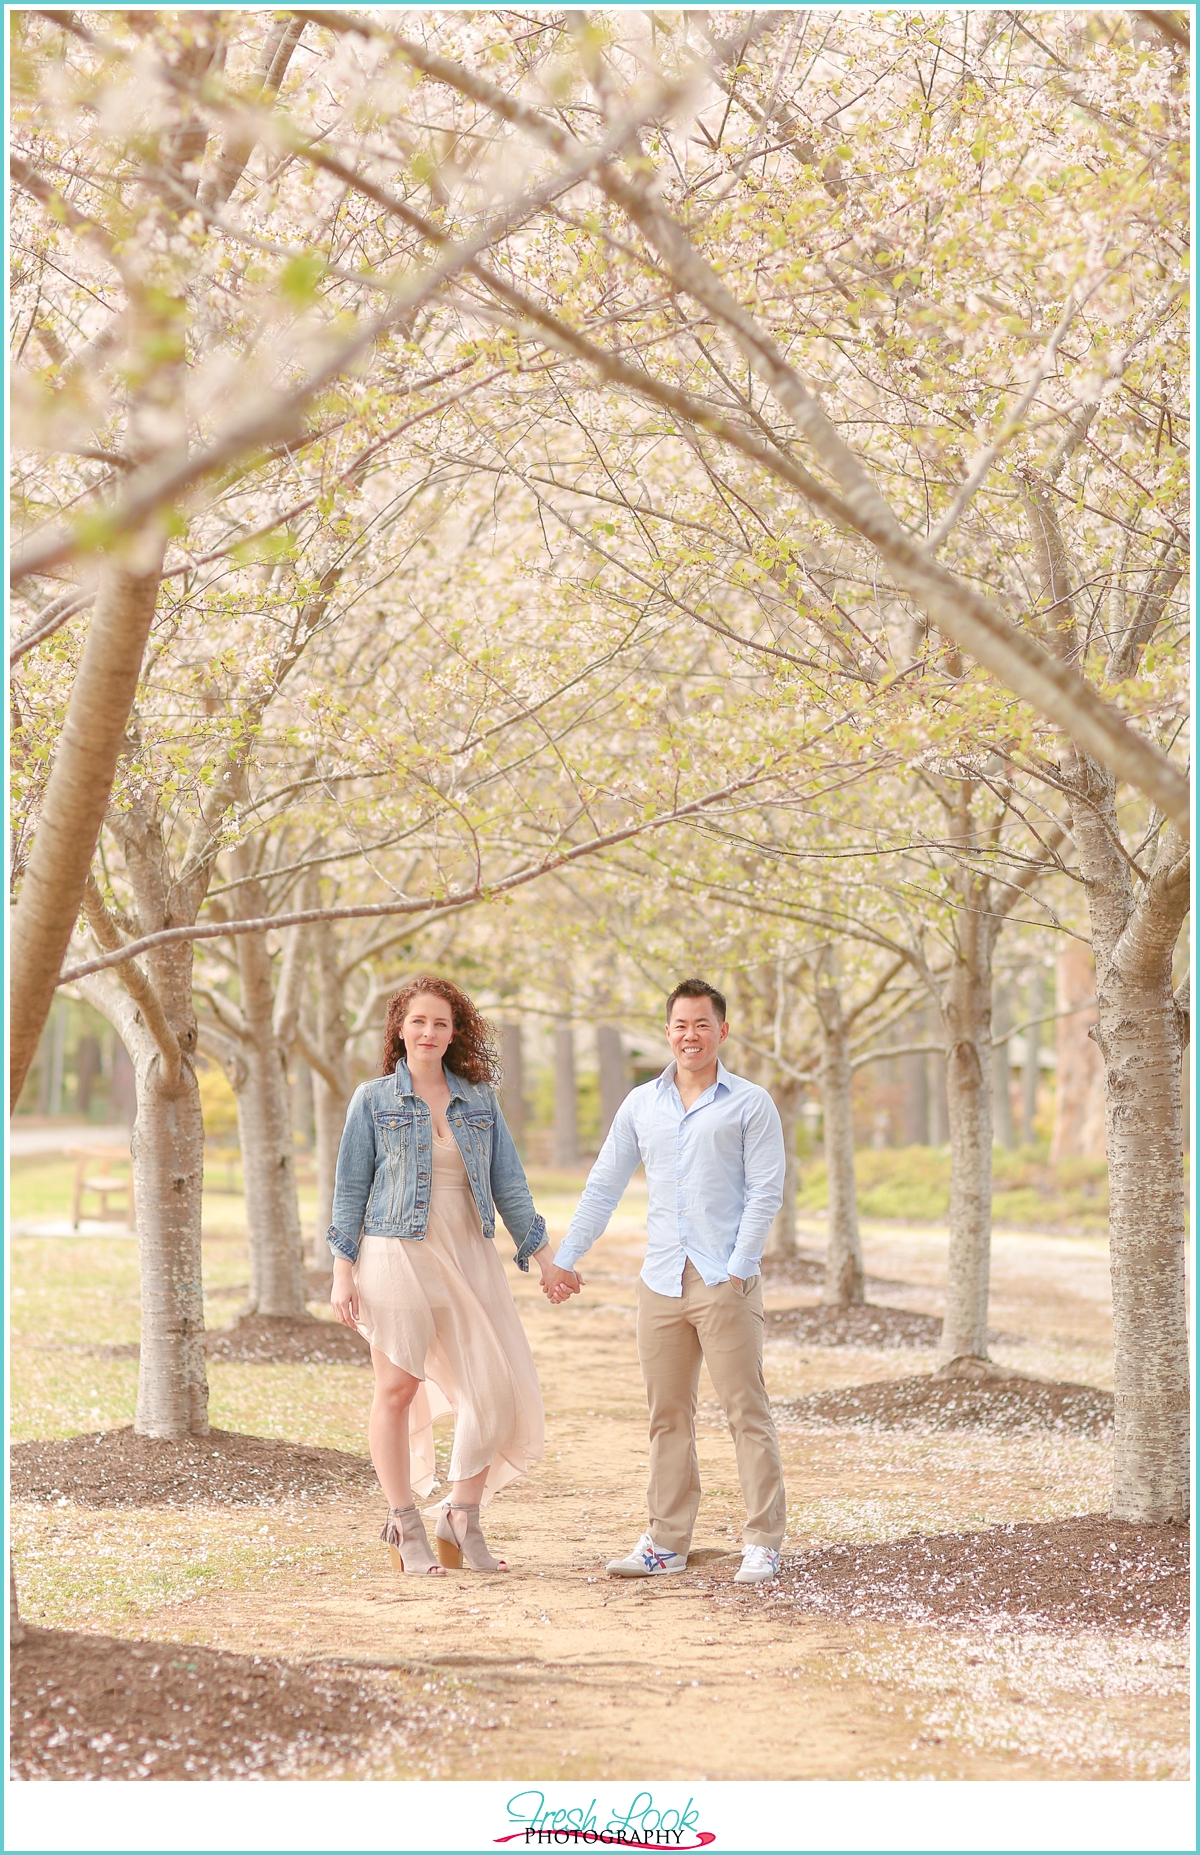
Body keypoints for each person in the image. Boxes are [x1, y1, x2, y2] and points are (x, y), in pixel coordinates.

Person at [543, 979, 787, 1586]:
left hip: (723, 1280)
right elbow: (604, 1185)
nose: (690, 1036)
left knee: (745, 1412)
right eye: (680, 1025)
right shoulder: (640, 1105)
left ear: (722, 1031)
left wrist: (739, 1265)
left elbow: (766, 1191)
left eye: (702, 1024)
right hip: (660, 1283)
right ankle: (666, 1540)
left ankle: (761, 1541)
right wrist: (567, 1256)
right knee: (667, 1417)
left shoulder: (750, 1103)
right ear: (668, 1031)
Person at [329, 976, 556, 1575]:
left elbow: (509, 1184)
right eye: (418, 1022)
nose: (429, 1033)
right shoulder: (372, 1100)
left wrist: (544, 1255)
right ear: (399, 1028)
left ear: (455, 1034)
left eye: (441, 1024)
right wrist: (342, 1270)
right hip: (392, 1249)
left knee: (492, 1387)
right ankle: (404, 1524)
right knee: (398, 1389)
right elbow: (351, 1189)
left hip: (467, 1251)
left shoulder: (479, 1100)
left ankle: (461, 1513)